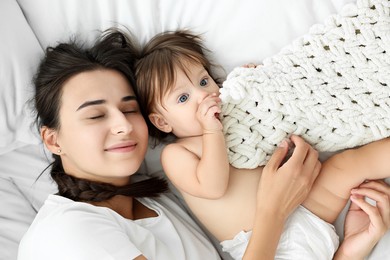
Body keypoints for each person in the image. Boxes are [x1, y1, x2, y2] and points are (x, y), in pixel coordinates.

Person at [16, 28, 325, 260]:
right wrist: (273, 211)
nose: (123, 126)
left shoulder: (154, 199)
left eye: (129, 109)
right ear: (53, 139)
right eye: (96, 115)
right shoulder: (68, 234)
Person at [135, 30, 390, 260]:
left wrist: (255, 89)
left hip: (305, 210)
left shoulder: (233, 122)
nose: (203, 95)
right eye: (183, 97)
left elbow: (273, 121)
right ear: (161, 121)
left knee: (346, 165)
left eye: (204, 82)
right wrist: (211, 131)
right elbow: (213, 186)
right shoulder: (177, 153)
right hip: (270, 248)